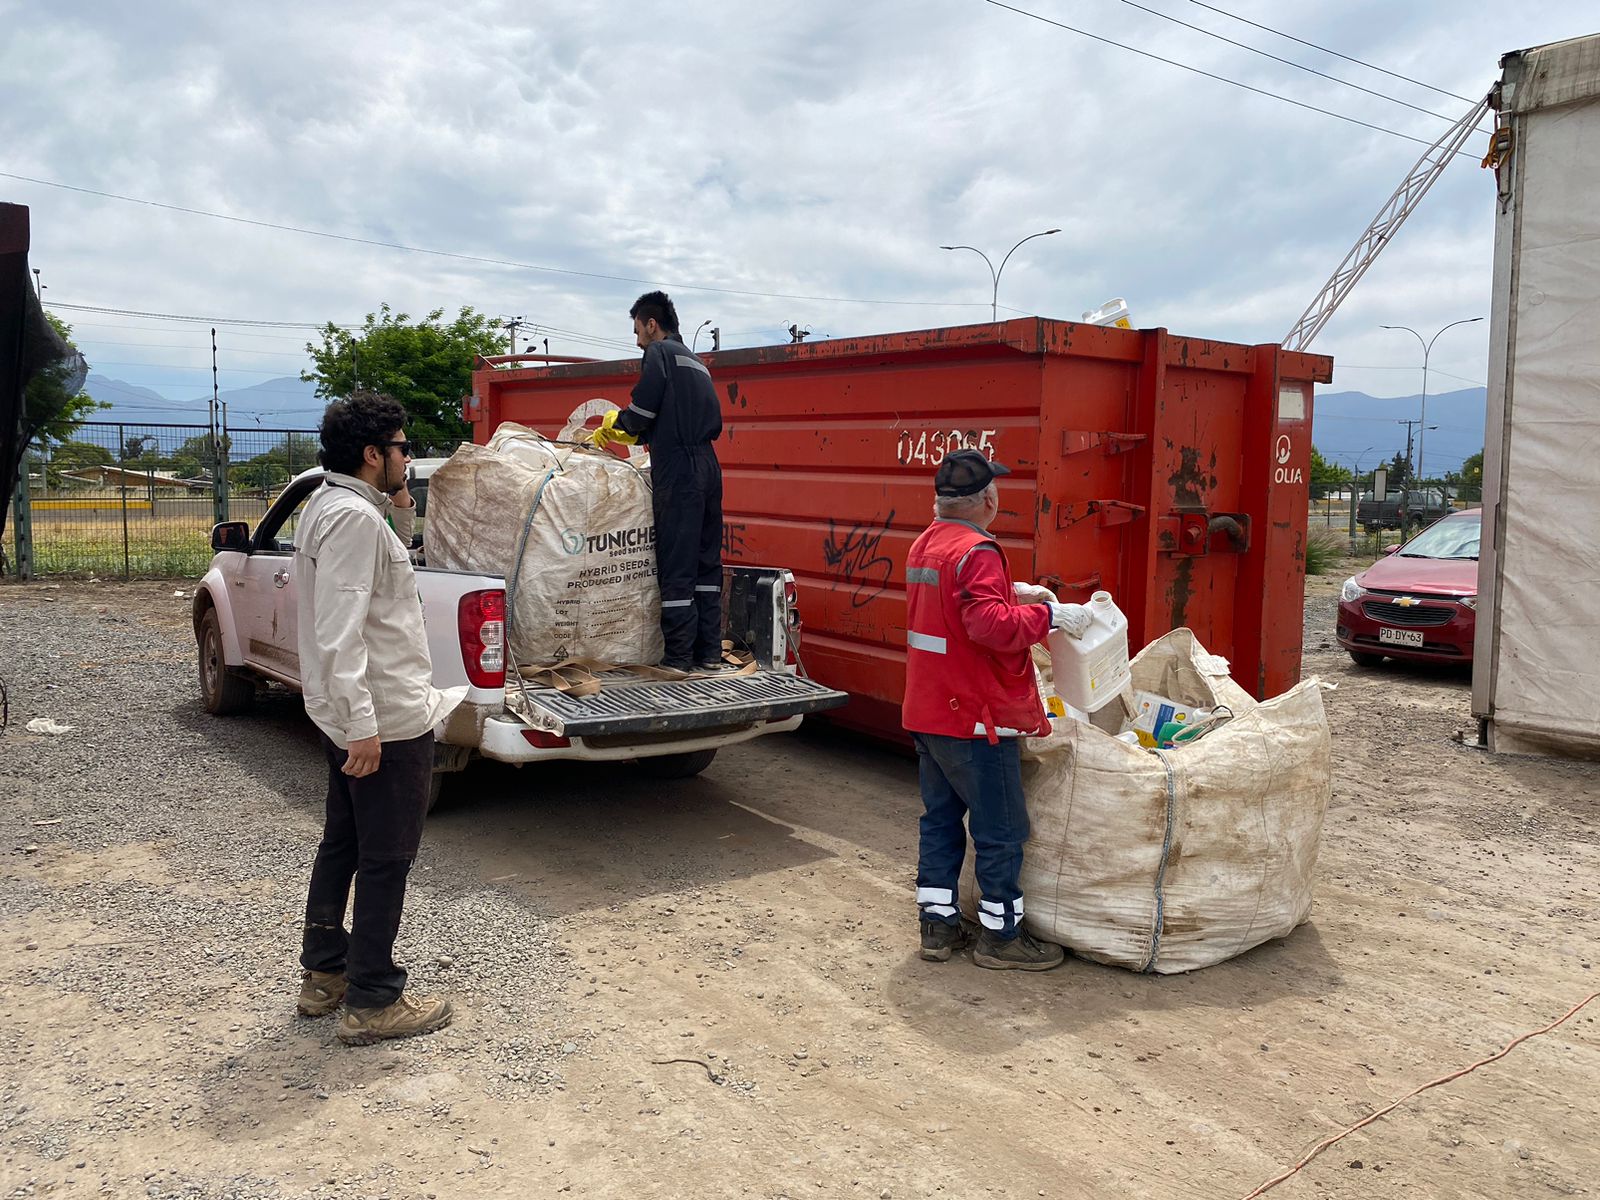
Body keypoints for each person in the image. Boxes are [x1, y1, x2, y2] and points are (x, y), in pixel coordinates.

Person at [294, 390, 465, 1044]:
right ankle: (372, 999)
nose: (408, 458)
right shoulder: (352, 521)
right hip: (383, 719)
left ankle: (325, 973)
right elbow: (341, 632)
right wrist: (364, 727)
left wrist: (401, 511)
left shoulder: (333, 506)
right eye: (401, 447)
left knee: (343, 842)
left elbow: (375, 581)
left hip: (352, 712)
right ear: (373, 453)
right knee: (387, 857)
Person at [901, 449, 1091, 971]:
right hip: (974, 717)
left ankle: (937, 927)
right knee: (1001, 830)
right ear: (987, 498)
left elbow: (952, 609)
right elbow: (987, 626)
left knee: (940, 820)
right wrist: (1051, 615)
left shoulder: (926, 542)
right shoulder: (978, 550)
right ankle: (1002, 935)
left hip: (928, 709)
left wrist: (1013, 593)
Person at [590, 291, 725, 671]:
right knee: (706, 564)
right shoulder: (696, 362)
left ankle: (678, 658)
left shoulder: (659, 353)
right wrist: (637, 431)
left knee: (677, 563)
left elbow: (642, 410)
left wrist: (617, 424)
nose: (637, 341)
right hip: (709, 467)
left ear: (652, 325)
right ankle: (709, 654)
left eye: (637, 331)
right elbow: (669, 417)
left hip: (679, 470)